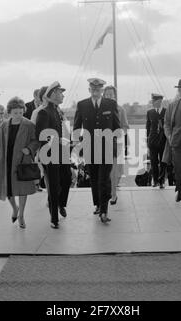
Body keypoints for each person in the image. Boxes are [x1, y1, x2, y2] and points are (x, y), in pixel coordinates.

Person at [73, 78, 121, 223]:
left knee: (104, 179)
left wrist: (117, 144)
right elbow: (76, 126)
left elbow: (116, 126)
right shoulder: (82, 105)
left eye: (98, 89)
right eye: (93, 88)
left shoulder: (111, 104)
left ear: (102, 91)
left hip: (107, 147)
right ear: (89, 90)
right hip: (89, 148)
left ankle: (104, 210)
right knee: (94, 178)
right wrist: (76, 145)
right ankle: (98, 204)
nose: (96, 91)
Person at [0, 97, 39, 229]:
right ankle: (15, 209)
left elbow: (36, 141)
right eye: (15, 112)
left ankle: (22, 215)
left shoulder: (29, 125)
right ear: (9, 112)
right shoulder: (3, 126)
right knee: (8, 191)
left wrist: (29, 149)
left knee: (22, 190)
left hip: (22, 163)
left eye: (21, 112)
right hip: (5, 162)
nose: (18, 115)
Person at [36, 81, 72, 229]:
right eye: (60, 92)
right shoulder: (44, 112)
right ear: (52, 95)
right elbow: (41, 135)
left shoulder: (57, 110)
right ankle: (54, 218)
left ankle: (60, 204)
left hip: (61, 152)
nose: (63, 95)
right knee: (53, 185)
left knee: (67, 179)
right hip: (49, 154)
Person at [103, 85, 129, 205]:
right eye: (107, 94)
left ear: (114, 96)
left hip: (117, 143)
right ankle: (110, 193)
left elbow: (125, 126)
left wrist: (119, 134)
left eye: (111, 94)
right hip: (102, 143)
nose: (109, 96)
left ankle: (113, 192)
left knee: (117, 170)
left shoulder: (121, 109)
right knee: (105, 171)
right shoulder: (100, 108)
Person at [146, 93, 167, 189]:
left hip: (163, 141)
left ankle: (162, 181)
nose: (156, 103)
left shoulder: (166, 112)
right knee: (154, 162)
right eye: (154, 101)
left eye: (158, 101)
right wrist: (147, 142)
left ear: (161, 101)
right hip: (152, 141)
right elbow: (148, 128)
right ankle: (155, 181)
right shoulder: (149, 112)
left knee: (163, 162)